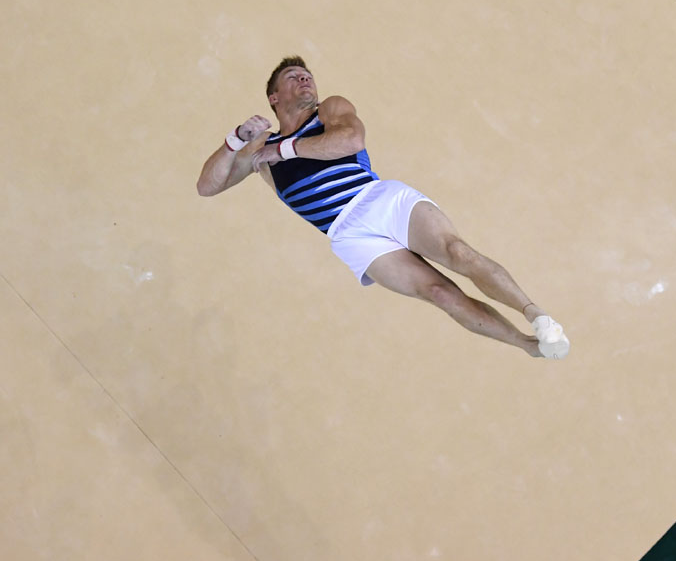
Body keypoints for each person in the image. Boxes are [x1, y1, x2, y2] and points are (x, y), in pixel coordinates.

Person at [197, 56, 570, 359]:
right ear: (274, 98)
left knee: (457, 252)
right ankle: (528, 346)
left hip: (379, 200)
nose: (305, 81)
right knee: (439, 293)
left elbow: (350, 139)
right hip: (349, 235)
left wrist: (284, 150)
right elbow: (208, 187)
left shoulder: (328, 110)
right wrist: (236, 141)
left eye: (308, 76)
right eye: (294, 78)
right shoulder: (261, 148)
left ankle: (535, 314)